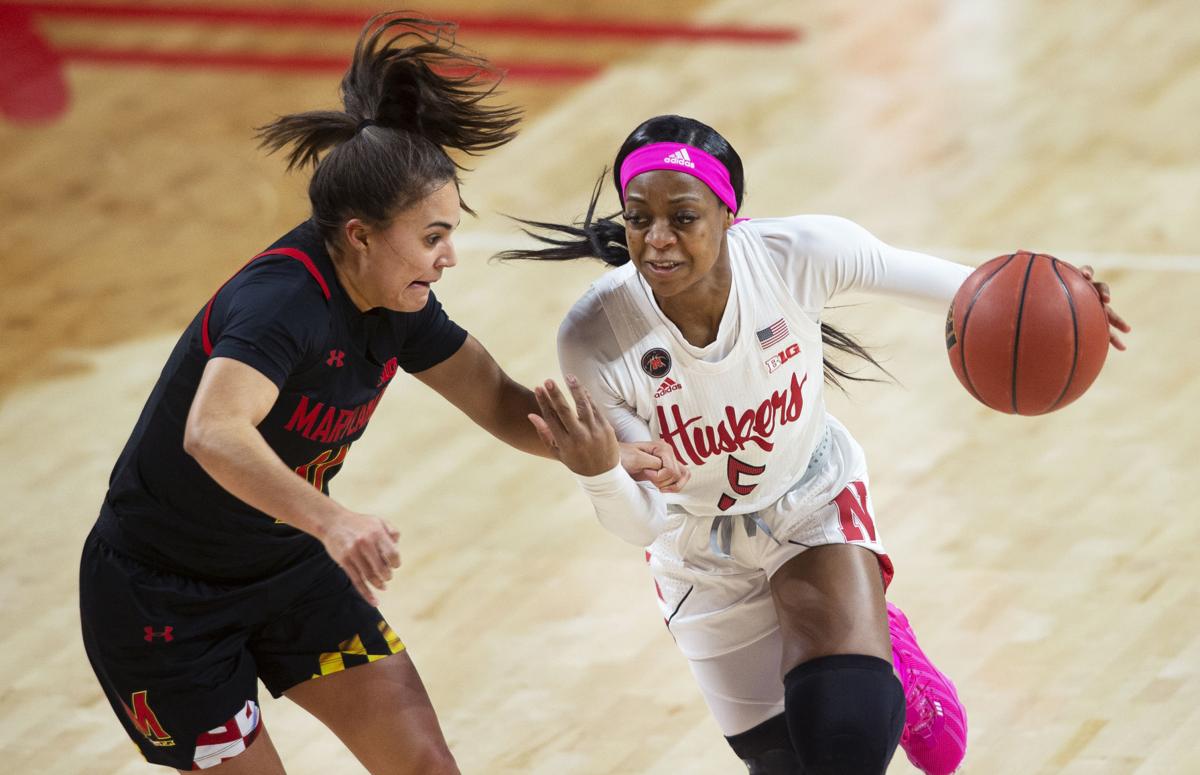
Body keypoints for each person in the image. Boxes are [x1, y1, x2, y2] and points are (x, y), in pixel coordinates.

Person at [77, 16, 686, 774]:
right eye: (432, 236)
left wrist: (606, 454)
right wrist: (333, 520)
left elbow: (495, 397)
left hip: (286, 567)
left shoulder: (399, 303)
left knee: (427, 764)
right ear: (360, 236)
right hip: (163, 601)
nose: (450, 256)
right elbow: (213, 431)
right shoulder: (281, 302)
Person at [503, 115, 1130, 775]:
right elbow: (645, 520)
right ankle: (879, 636)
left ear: (727, 215)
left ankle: (875, 640)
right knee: (787, 766)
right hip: (698, 549)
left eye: (682, 217)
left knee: (846, 737)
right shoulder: (597, 335)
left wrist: (1068, 302)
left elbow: (968, 293)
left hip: (809, 499)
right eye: (638, 218)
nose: (657, 240)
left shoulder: (799, 253)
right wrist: (602, 474)